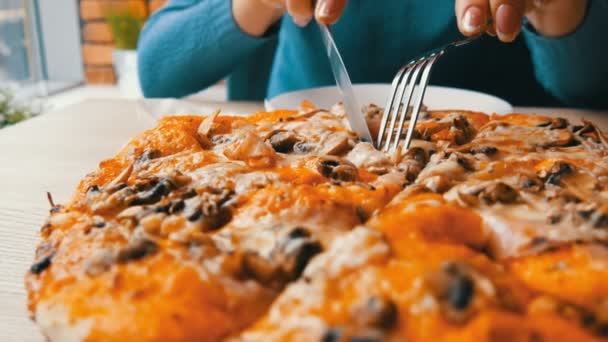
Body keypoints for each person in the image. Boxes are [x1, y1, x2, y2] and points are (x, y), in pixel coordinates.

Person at [137, 0, 607, 109]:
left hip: (509, 167)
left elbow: (593, 92)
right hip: (285, 179)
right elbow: (157, 71)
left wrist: (560, 9)